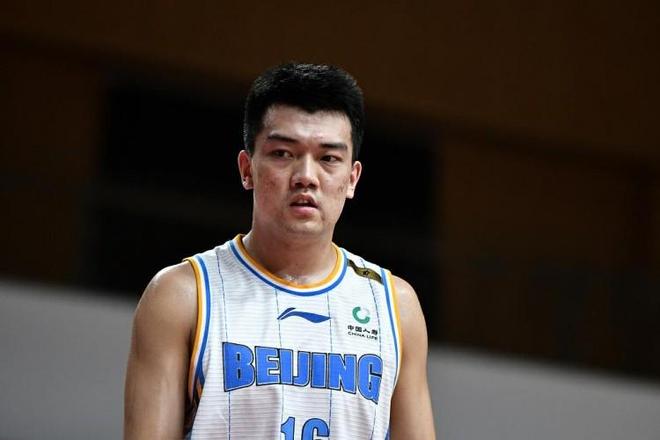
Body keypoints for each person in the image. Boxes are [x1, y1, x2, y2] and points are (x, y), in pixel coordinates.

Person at [124, 62, 435, 439]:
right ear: (247, 168)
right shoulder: (181, 296)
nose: (306, 176)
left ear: (352, 178)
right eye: (284, 153)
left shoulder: (395, 306)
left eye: (328, 158)